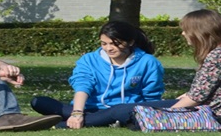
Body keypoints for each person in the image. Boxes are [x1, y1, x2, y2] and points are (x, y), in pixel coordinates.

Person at [30, 21, 165, 128]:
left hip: (124, 110)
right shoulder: (89, 59)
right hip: (90, 109)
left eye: (115, 44)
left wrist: (149, 115)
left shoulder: (148, 62)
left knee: (118, 111)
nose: (108, 48)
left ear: (130, 42)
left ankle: (66, 123)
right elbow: (83, 86)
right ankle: (95, 120)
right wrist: (77, 113)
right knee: (39, 102)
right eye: (104, 43)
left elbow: (151, 95)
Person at [156, 9, 221, 130]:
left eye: (186, 30)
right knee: (132, 109)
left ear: (201, 32)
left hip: (218, 117)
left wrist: (164, 115)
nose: (183, 34)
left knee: (129, 111)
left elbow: (196, 98)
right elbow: (206, 90)